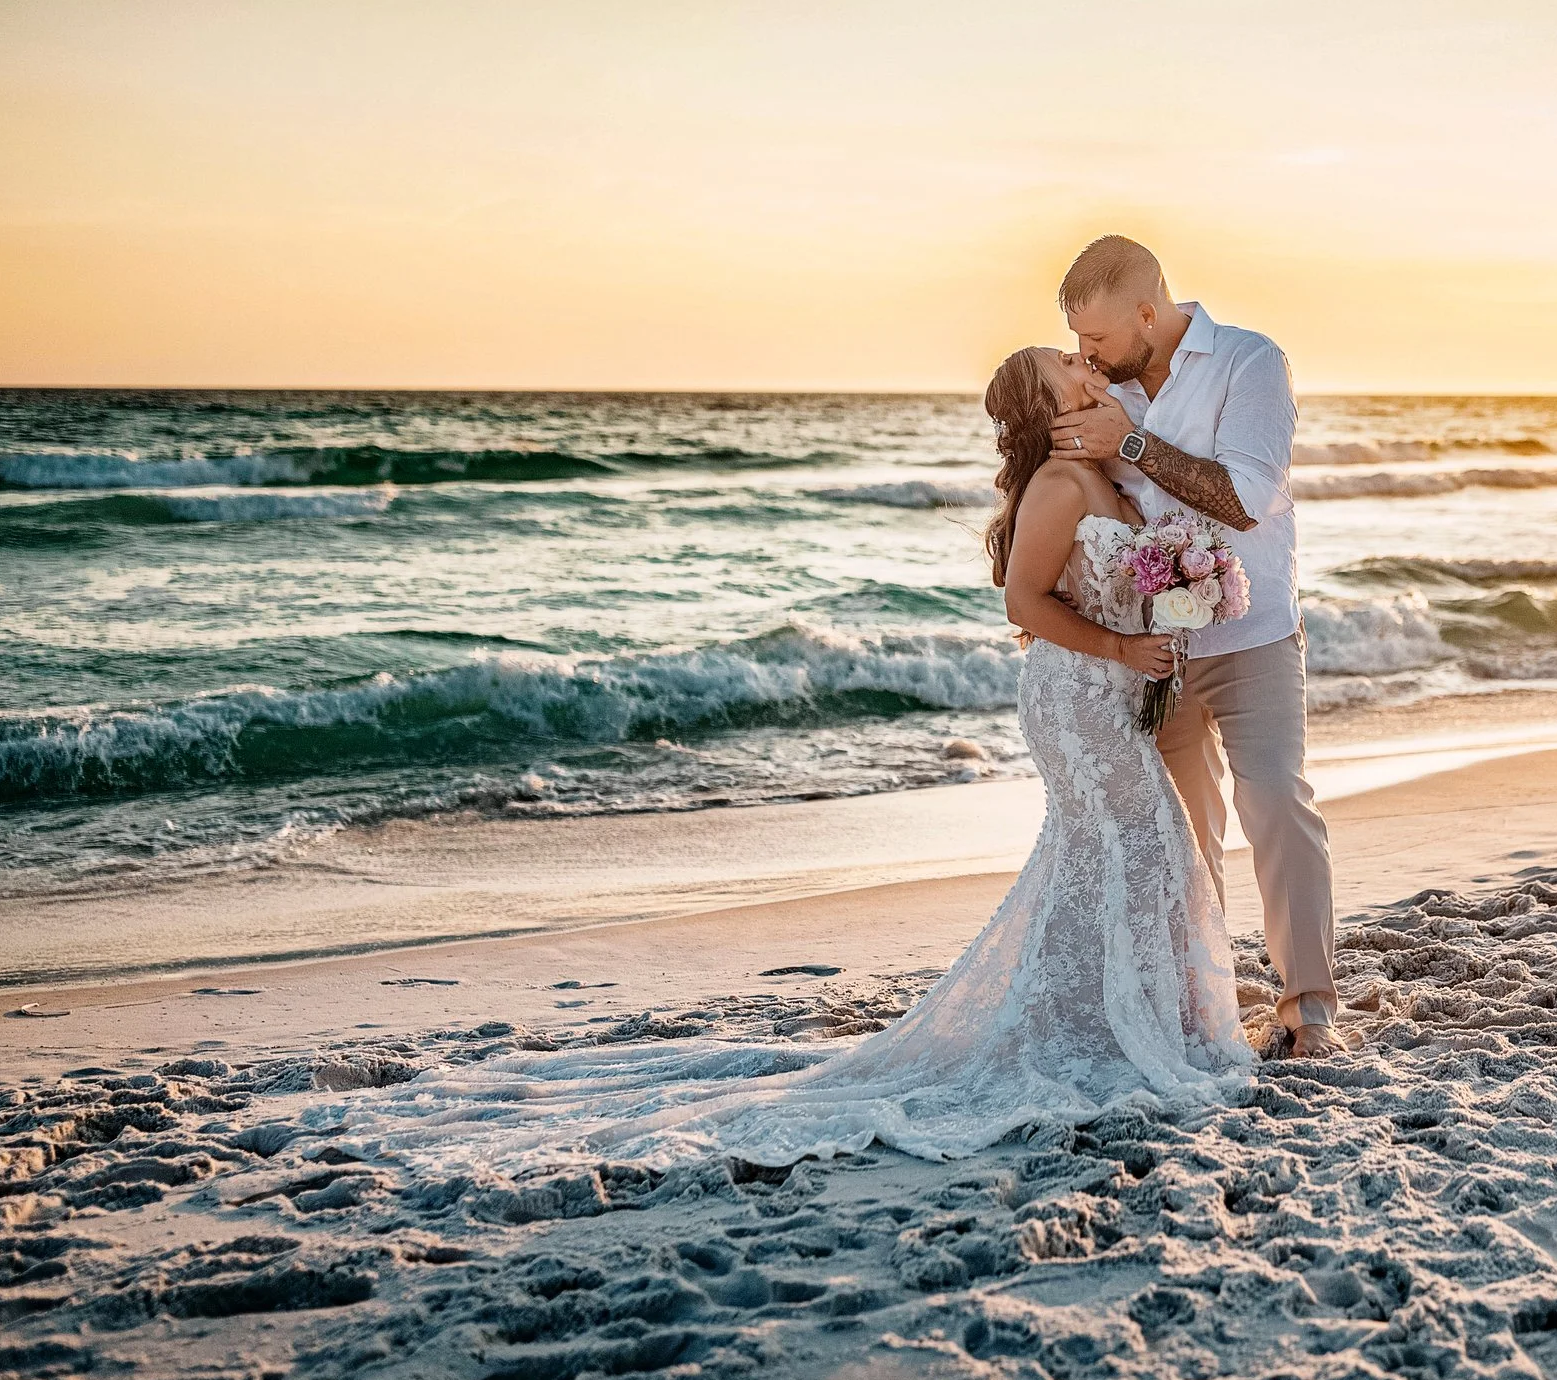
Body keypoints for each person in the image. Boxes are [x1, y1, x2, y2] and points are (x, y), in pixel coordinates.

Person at [301, 347, 1252, 1169]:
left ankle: (1117, 1023)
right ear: (1049, 408)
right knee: (1132, 843)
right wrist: (1129, 649)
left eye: (1079, 357)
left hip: (1115, 697)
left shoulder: (1105, 477)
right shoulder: (1055, 485)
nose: (1085, 365)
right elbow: (1023, 607)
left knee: (1122, 852)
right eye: (1066, 366)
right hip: (1077, 702)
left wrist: (1177, 602)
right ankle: (1117, 1032)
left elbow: (1111, 583)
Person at [1047, 236, 1343, 1061]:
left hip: (1254, 634)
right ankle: (1202, 1005)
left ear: (1149, 312)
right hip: (1154, 647)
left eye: (1098, 338)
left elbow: (1247, 498)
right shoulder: (1098, 387)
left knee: (1277, 801)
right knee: (1183, 832)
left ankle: (1308, 1007)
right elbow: (1062, 496)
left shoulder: (1249, 363)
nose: (1086, 355)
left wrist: (1130, 443)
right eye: (1077, 341)